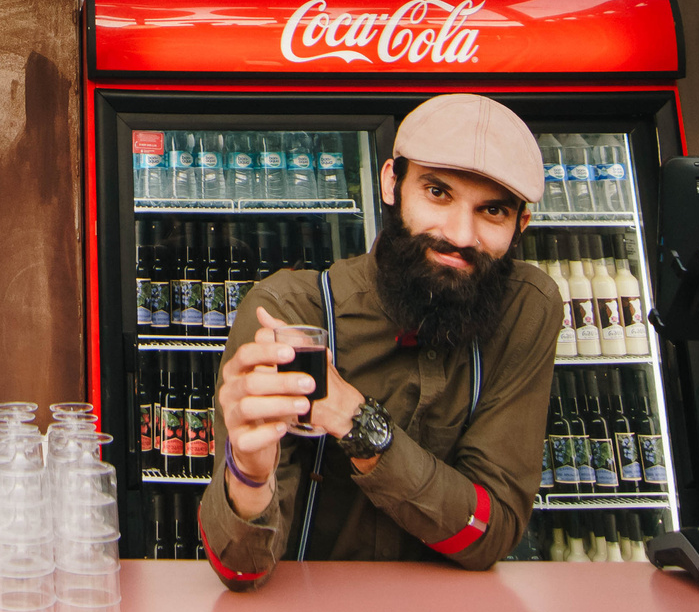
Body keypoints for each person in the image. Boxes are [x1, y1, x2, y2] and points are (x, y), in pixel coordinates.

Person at [199, 94, 561, 584]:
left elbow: (490, 532)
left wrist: (353, 418)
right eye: (437, 193)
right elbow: (243, 571)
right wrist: (248, 473)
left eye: (491, 211)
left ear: (520, 225)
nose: (458, 233)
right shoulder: (293, 315)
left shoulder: (526, 309)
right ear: (392, 182)